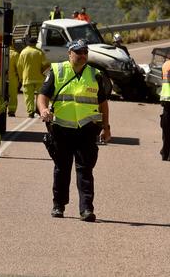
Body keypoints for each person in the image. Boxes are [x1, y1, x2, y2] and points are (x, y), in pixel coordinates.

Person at [37, 39, 111, 222]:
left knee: (85, 170)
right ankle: (58, 205)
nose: (82, 55)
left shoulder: (96, 74)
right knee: (62, 169)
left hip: (87, 129)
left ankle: (86, 209)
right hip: (61, 128)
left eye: (85, 51)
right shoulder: (57, 70)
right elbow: (42, 96)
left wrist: (106, 127)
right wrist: (44, 110)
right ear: (69, 53)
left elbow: (103, 104)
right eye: (78, 52)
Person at [17, 36, 49, 118]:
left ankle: (30, 112)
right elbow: (46, 65)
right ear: (35, 43)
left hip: (27, 78)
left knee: (28, 97)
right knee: (39, 95)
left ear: (28, 43)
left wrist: (21, 78)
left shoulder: (23, 52)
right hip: (39, 78)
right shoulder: (39, 52)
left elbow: (19, 66)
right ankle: (38, 110)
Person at [7, 45, 20, 117]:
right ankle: (11, 111)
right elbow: (19, 67)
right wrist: (20, 78)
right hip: (12, 78)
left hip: (0, 77)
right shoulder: (15, 54)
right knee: (12, 95)